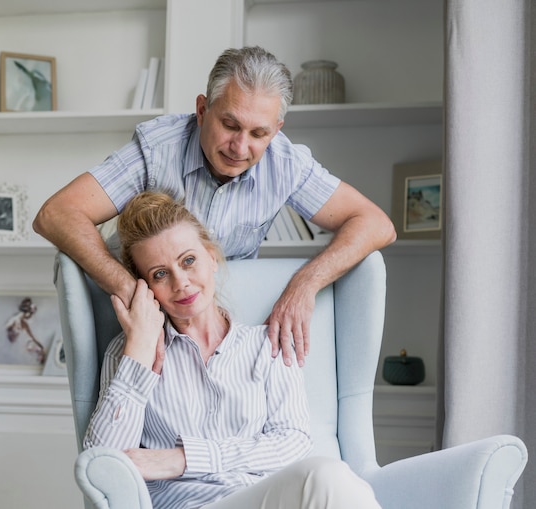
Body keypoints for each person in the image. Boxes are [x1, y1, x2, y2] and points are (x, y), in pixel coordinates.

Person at [33, 46, 396, 367]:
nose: (240, 148)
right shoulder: (158, 148)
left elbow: (376, 223)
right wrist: (134, 295)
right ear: (203, 110)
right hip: (131, 319)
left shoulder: (286, 163)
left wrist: (306, 283)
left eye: (259, 134)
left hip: (215, 327)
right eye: (230, 125)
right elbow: (57, 213)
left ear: (277, 129)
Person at [83, 191, 381, 509]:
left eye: (188, 261)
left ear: (211, 257)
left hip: (264, 499)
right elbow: (103, 465)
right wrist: (140, 349)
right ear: (143, 287)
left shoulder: (268, 343)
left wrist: (183, 459)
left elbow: (293, 443)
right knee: (325, 477)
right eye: (159, 274)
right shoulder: (129, 353)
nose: (181, 282)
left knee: (328, 478)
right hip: (187, 504)